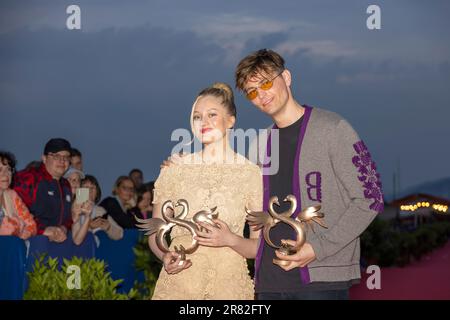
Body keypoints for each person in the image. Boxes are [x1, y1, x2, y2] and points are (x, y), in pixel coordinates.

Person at [234, 49, 384, 299]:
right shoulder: (258, 144)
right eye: (252, 92)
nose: (261, 95)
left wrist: (318, 248)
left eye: (266, 83)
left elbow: (370, 198)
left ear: (287, 77)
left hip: (320, 279)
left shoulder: (333, 128)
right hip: (269, 281)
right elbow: (248, 202)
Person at [147, 82, 262, 300]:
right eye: (198, 117)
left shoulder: (250, 174)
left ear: (230, 121)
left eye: (212, 115)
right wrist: (165, 255)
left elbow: (259, 247)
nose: (203, 122)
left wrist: (231, 239)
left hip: (228, 290)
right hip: (178, 288)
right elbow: (155, 233)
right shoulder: (173, 170)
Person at [14, 138, 92, 244]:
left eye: (66, 157)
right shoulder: (29, 177)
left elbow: (67, 219)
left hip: (56, 249)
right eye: (56, 156)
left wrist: (63, 228)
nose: (62, 161)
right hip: (29, 244)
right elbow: (14, 212)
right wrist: (43, 230)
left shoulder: (66, 185)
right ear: (44, 158)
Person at [0, 151, 37, 239]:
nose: (6, 173)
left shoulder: (12, 195)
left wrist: (24, 232)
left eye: (8, 169)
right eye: (0, 169)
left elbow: (32, 226)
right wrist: (19, 224)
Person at [80, 175, 123, 241]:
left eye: (93, 188)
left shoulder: (100, 211)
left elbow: (120, 234)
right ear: (79, 190)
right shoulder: (73, 209)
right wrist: (89, 227)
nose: (90, 190)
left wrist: (109, 227)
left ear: (97, 192)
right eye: (86, 187)